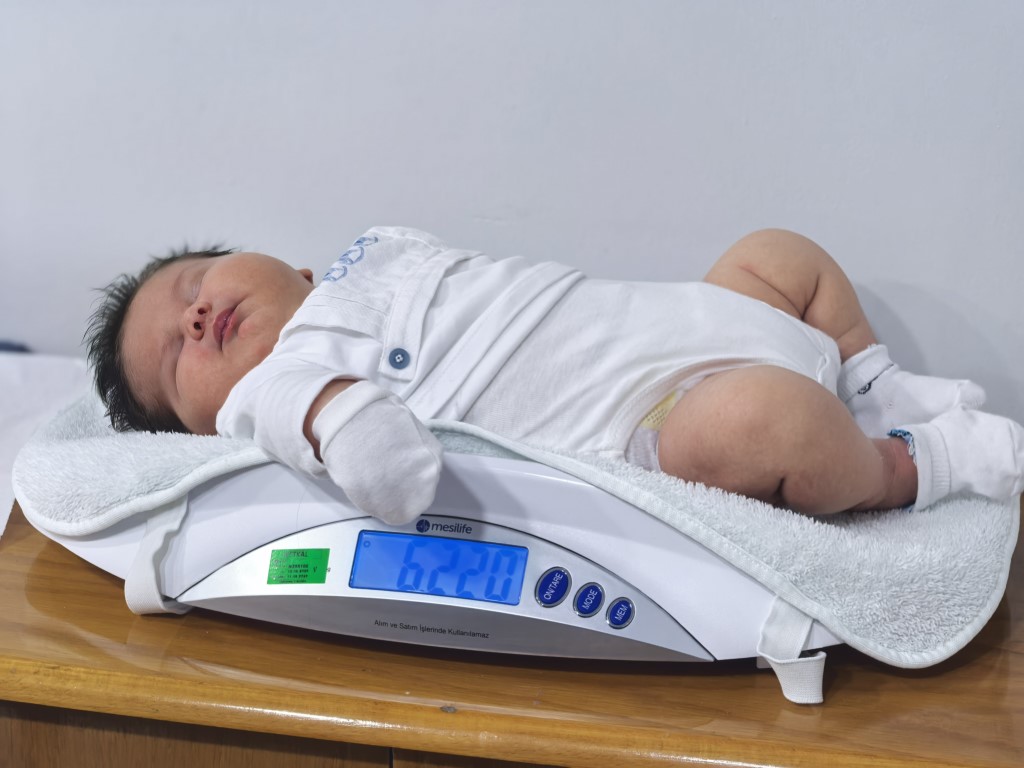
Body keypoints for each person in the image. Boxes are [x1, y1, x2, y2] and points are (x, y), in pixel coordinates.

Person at [86, 227, 1024, 523]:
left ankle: (873, 382)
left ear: (292, 266)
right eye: (175, 354)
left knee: (779, 255)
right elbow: (382, 463)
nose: (196, 316)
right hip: (660, 414)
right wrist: (322, 415)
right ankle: (908, 463)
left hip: (698, 314)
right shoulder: (280, 388)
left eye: (194, 284)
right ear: (209, 429)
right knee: (763, 426)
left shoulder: (369, 255)